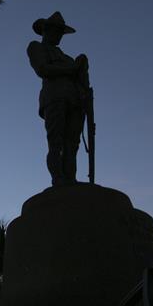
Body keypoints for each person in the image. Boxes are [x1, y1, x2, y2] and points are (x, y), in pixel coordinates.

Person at [27, 11, 89, 186]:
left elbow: (81, 80)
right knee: (56, 141)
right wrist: (72, 69)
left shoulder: (68, 58)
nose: (59, 35)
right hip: (54, 97)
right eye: (56, 31)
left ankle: (70, 178)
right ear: (46, 30)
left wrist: (82, 67)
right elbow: (42, 69)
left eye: (61, 32)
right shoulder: (36, 47)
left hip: (75, 101)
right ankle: (58, 179)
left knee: (72, 142)